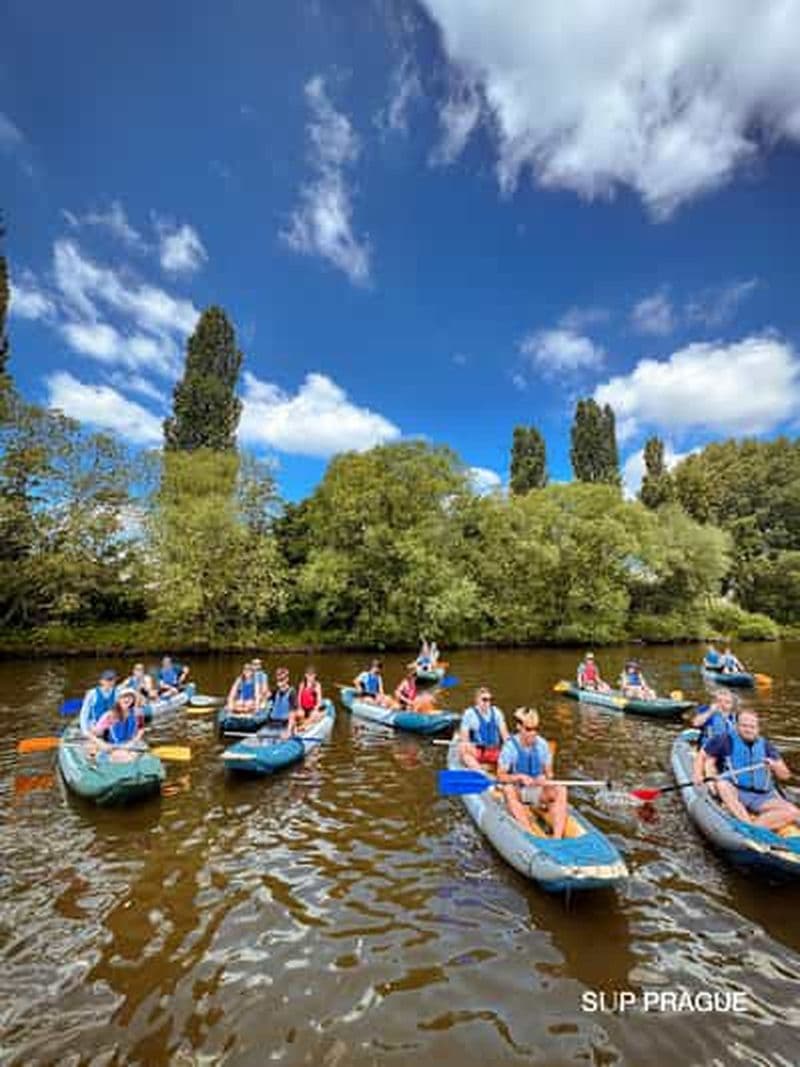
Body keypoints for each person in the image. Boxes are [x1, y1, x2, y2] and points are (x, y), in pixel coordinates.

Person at [695, 709, 798, 832]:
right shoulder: (724, 740)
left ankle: (755, 828)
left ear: (758, 728)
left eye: (752, 726)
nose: (748, 729)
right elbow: (702, 756)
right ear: (737, 725)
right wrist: (697, 775)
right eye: (744, 725)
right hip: (736, 790)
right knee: (722, 784)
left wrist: (776, 766)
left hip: (762, 796)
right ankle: (746, 824)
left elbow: (785, 776)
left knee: (794, 812)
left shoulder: (766, 746)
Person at [497, 708, 568, 839]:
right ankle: (530, 834)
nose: (533, 733)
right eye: (528, 729)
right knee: (507, 789)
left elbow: (550, 773)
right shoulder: (509, 747)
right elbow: (501, 776)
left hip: (537, 790)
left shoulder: (542, 745)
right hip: (519, 792)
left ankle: (557, 837)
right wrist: (519, 776)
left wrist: (544, 778)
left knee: (561, 790)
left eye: (535, 729)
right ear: (519, 727)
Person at [458, 687, 509, 770]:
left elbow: (505, 735)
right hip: (479, 751)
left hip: (494, 750)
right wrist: (467, 745)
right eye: (484, 700)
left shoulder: (497, 712)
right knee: (464, 752)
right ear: (477, 700)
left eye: (490, 700)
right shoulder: (469, 714)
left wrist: (509, 749)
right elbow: (464, 738)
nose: (487, 703)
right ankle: (481, 769)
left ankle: (486, 767)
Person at [79, 669, 119, 736]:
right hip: (95, 723)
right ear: (101, 681)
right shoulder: (92, 693)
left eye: (113, 680)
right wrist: (85, 730)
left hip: (110, 723)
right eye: (108, 680)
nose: (110, 682)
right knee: (99, 733)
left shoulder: (117, 692)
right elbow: (84, 713)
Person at [288, 667, 324, 735]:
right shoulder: (302, 684)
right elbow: (299, 698)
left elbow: (319, 699)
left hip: (312, 708)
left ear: (315, 675)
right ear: (306, 675)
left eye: (312, 675)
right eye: (308, 675)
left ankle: (303, 726)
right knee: (299, 714)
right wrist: (300, 707)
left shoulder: (317, 685)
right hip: (303, 708)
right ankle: (298, 726)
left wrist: (316, 708)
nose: (310, 677)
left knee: (315, 715)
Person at [270, 668, 298, 733]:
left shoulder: (292, 692)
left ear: (287, 679)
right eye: (278, 680)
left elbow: (292, 713)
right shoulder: (275, 691)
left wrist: (288, 731)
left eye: (282, 680)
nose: (280, 683)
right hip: (273, 722)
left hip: (285, 723)